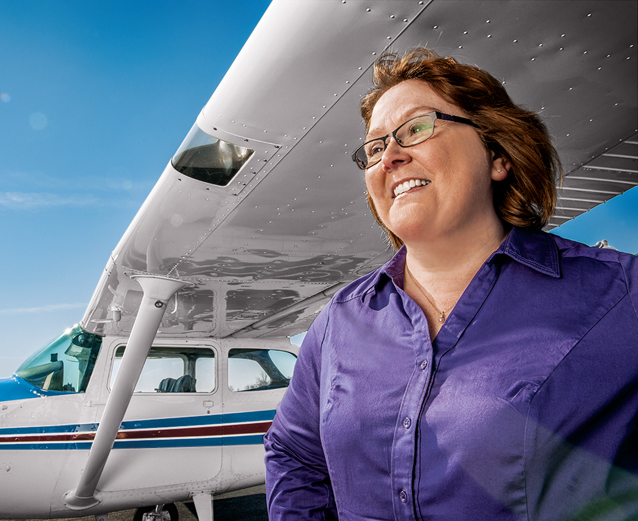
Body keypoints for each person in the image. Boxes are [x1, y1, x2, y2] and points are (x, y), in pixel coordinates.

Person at [264, 48, 638, 521]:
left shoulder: (622, 295)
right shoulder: (339, 322)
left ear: (497, 156)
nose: (390, 157)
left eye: (416, 128)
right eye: (375, 148)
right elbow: (294, 454)